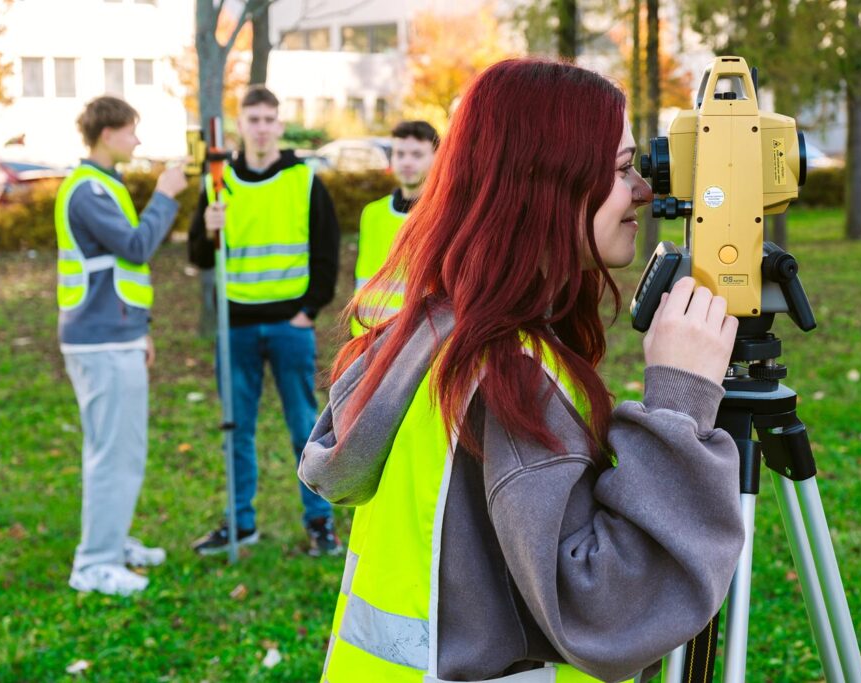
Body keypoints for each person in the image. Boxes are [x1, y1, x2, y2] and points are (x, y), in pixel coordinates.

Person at [299, 59, 745, 682]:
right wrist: (678, 403)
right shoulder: (511, 375)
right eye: (620, 170)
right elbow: (606, 613)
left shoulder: (436, 331)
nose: (644, 191)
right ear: (545, 186)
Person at [188, 86, 343, 557]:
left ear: (279, 124)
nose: (260, 127)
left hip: (290, 326)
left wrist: (307, 312)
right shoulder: (218, 181)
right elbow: (198, 256)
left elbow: (327, 250)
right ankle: (241, 522)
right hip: (234, 327)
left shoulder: (304, 179)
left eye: (267, 119)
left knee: (304, 427)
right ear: (240, 125)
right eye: (251, 119)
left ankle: (320, 524)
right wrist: (208, 227)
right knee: (237, 426)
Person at [58, 96, 188, 596]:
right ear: (108, 132)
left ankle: (111, 543)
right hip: (101, 344)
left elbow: (118, 270)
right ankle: (94, 564)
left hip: (116, 337)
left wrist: (141, 329)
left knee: (120, 450)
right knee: (113, 454)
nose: (137, 139)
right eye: (132, 130)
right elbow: (135, 247)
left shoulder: (101, 185)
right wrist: (166, 195)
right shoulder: (89, 190)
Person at [350, 120, 438, 335]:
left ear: (438, 159)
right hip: (367, 338)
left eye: (417, 155)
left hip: (418, 344)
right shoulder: (372, 213)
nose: (407, 162)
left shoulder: (443, 217)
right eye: (400, 154)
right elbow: (363, 277)